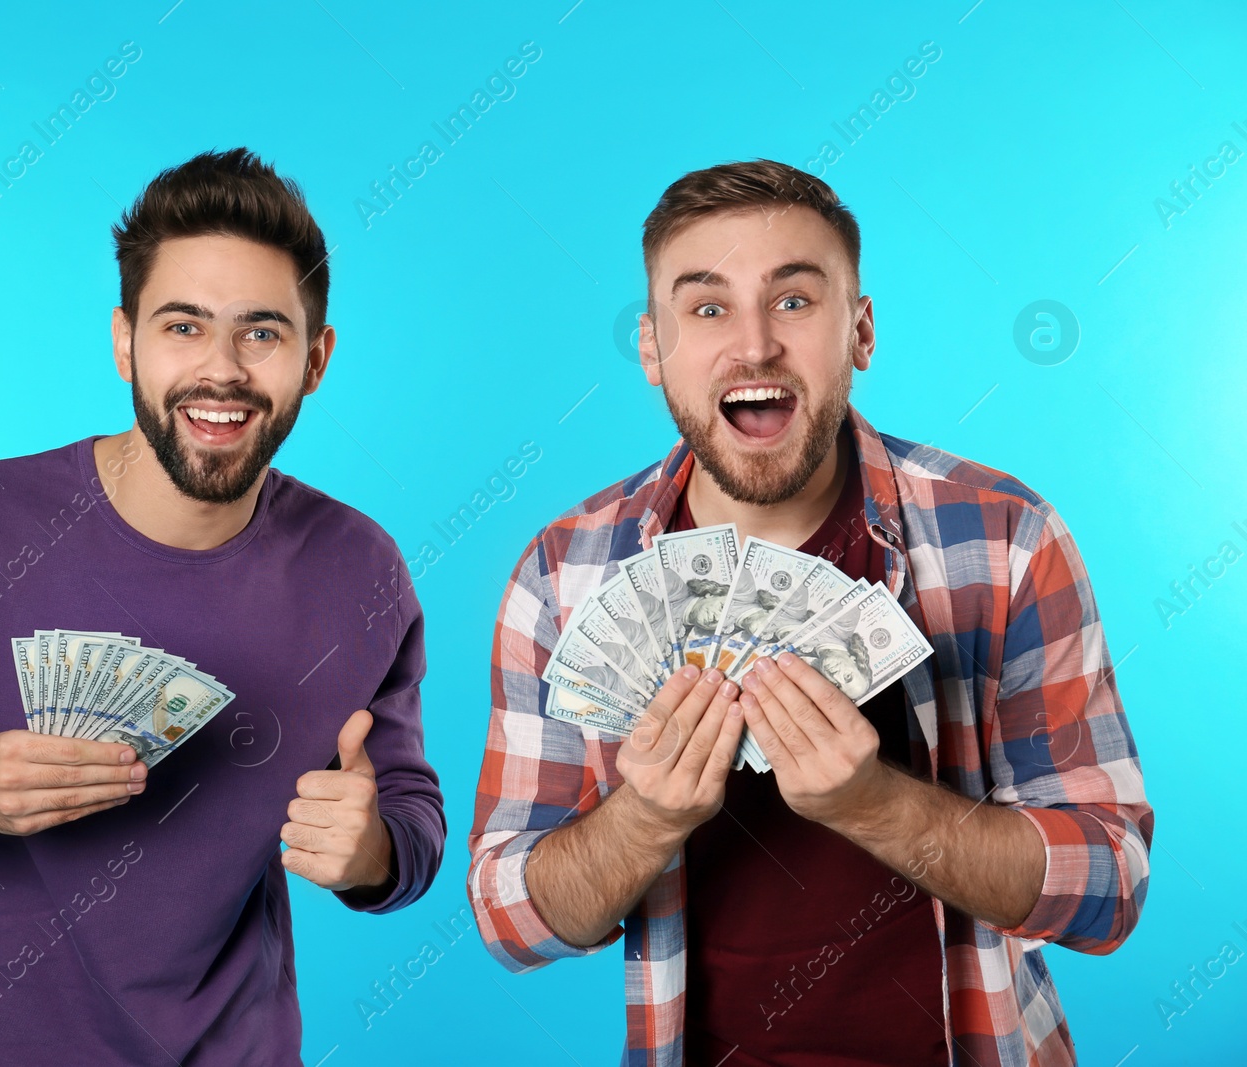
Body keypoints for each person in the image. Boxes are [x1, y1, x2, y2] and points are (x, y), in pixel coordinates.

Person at [0, 148, 445, 1066]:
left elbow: (412, 814)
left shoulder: (365, 569)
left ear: (316, 358)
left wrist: (377, 853)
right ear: (124, 342)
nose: (221, 371)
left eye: (262, 332)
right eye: (183, 326)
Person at [468, 159, 1151, 1066]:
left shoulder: (1008, 538)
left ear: (859, 331)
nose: (753, 346)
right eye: (706, 308)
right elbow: (513, 919)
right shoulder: (562, 574)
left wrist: (876, 806)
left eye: (794, 301)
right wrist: (647, 817)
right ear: (652, 349)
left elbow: (1111, 881)